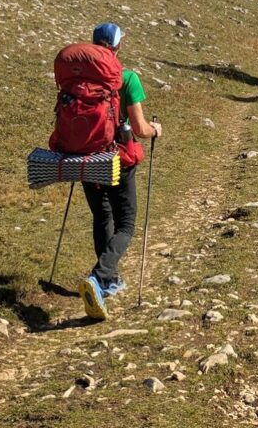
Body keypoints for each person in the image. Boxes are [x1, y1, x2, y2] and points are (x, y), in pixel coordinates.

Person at [78, 22, 162, 321]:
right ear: (117, 48)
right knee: (126, 223)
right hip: (117, 159)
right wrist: (156, 130)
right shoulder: (127, 79)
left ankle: (107, 282)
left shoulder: (78, 81)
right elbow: (139, 129)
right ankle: (99, 278)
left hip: (86, 158)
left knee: (102, 215)